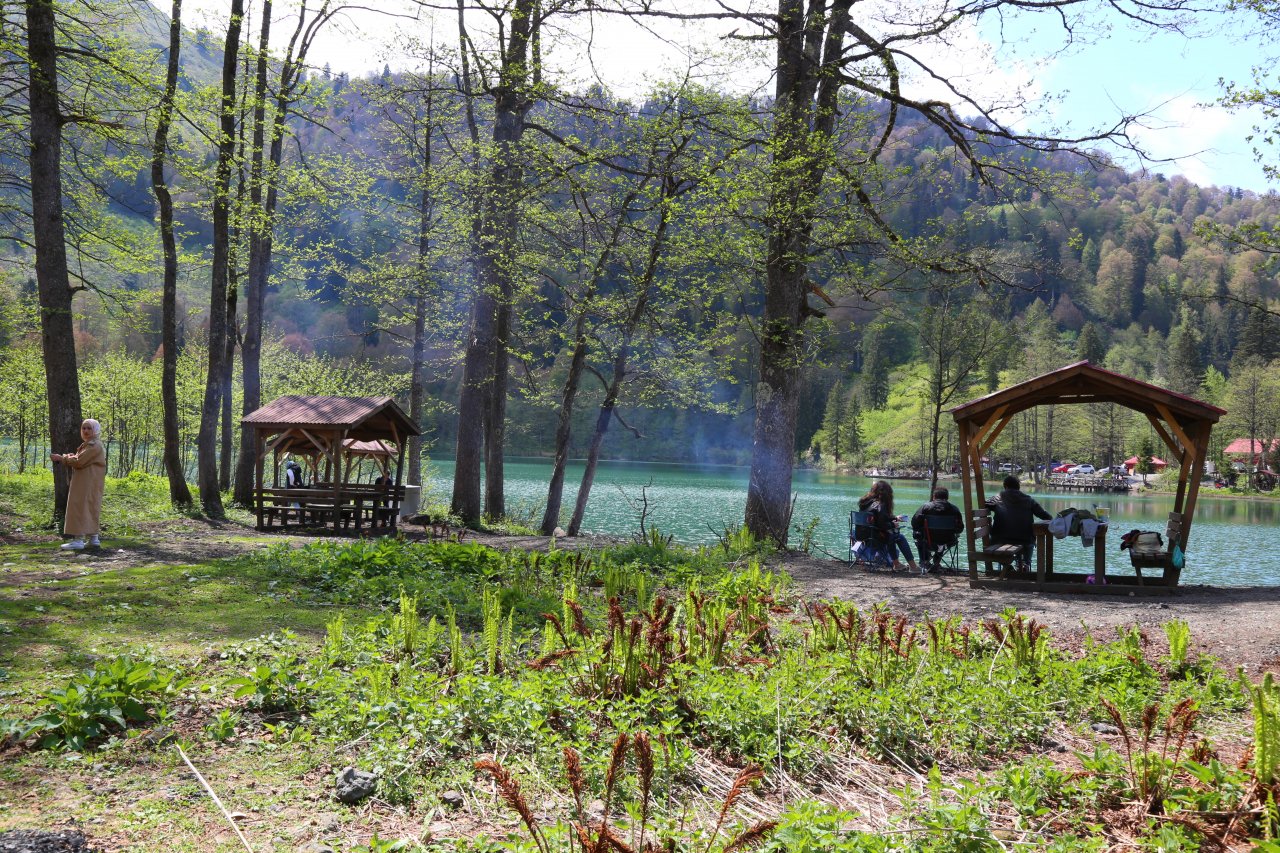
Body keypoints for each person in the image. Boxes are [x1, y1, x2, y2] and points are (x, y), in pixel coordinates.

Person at [50, 419, 107, 551]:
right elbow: (81, 459)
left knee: (79, 507)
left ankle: (78, 540)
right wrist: (71, 457)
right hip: (89, 482)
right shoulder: (89, 445)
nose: (86, 431)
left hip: (86, 483)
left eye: (89, 428)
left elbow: (80, 462)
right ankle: (93, 539)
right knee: (90, 507)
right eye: (84, 428)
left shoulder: (94, 445)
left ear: (96, 430)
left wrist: (62, 458)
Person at [985, 475, 1051, 568]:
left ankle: (1007, 567)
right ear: (1018, 487)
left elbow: (986, 504)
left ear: (1005, 486)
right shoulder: (1029, 500)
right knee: (1029, 542)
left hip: (1000, 539)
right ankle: (1026, 563)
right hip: (1025, 540)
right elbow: (1045, 516)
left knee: (999, 540)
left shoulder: (997, 498)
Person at [857, 479, 921, 573]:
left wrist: (894, 518)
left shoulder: (865, 503)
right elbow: (882, 524)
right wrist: (893, 524)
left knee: (891, 536)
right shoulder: (880, 504)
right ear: (887, 493)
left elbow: (877, 518)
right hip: (874, 539)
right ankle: (913, 566)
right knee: (899, 537)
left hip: (862, 538)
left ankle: (897, 564)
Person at [912, 487, 964, 573]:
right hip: (948, 541)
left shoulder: (926, 507)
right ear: (947, 498)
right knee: (942, 537)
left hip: (928, 541)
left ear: (934, 496)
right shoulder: (954, 509)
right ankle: (936, 561)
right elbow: (960, 528)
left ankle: (925, 561)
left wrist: (921, 530)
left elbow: (914, 523)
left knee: (918, 535)